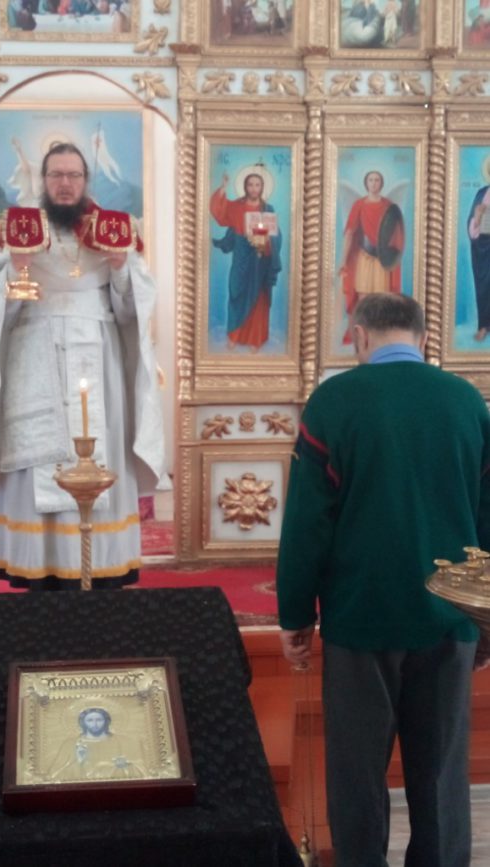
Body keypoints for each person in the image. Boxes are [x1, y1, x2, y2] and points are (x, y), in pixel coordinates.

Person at [276, 293, 490, 867]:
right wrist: (485, 623)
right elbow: (488, 519)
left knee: (357, 774)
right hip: (450, 619)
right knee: (442, 775)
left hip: (360, 618)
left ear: (359, 336)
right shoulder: (467, 402)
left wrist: (295, 614)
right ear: (424, 339)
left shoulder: (334, 402)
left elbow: (307, 524)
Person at [0, 142, 165, 589]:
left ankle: (100, 567)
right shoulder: (16, 230)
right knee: (38, 458)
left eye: (73, 175)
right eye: (56, 175)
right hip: (36, 359)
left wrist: (120, 265)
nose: (65, 184)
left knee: (101, 449)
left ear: (86, 181)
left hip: (99, 360)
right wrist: (17, 267)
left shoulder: (115, 230)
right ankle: (40, 566)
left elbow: (132, 313)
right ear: (42, 180)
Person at [210, 167, 282, 352]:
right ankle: (234, 336)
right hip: (241, 258)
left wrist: (265, 241)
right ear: (245, 186)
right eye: (250, 184)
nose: (254, 188)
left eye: (257, 185)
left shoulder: (268, 209)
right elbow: (220, 214)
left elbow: (276, 236)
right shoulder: (237, 207)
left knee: (259, 301)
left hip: (260, 261)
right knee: (237, 294)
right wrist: (223, 188)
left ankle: (255, 340)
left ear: (262, 187)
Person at [338, 169, 404, 343]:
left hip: (382, 259)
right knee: (363, 297)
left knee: (381, 297)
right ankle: (362, 333)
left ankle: (378, 334)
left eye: (377, 180)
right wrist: (343, 261)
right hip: (365, 257)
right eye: (371, 180)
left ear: (381, 184)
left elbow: (396, 235)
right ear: (366, 183)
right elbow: (350, 233)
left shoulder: (389, 206)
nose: (374, 183)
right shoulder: (359, 205)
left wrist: (392, 257)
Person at [48, 706, 146, 781]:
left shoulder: (122, 741)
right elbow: (55, 776)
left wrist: (125, 766)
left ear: (106, 721)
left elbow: (143, 772)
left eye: (99, 720)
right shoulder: (71, 744)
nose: (95, 724)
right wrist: (78, 761)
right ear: (83, 723)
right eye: (90, 720)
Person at [467, 179, 490, 341]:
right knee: (484, 287)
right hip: (483, 247)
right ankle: (484, 326)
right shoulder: (482, 193)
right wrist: (477, 216)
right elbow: (472, 223)